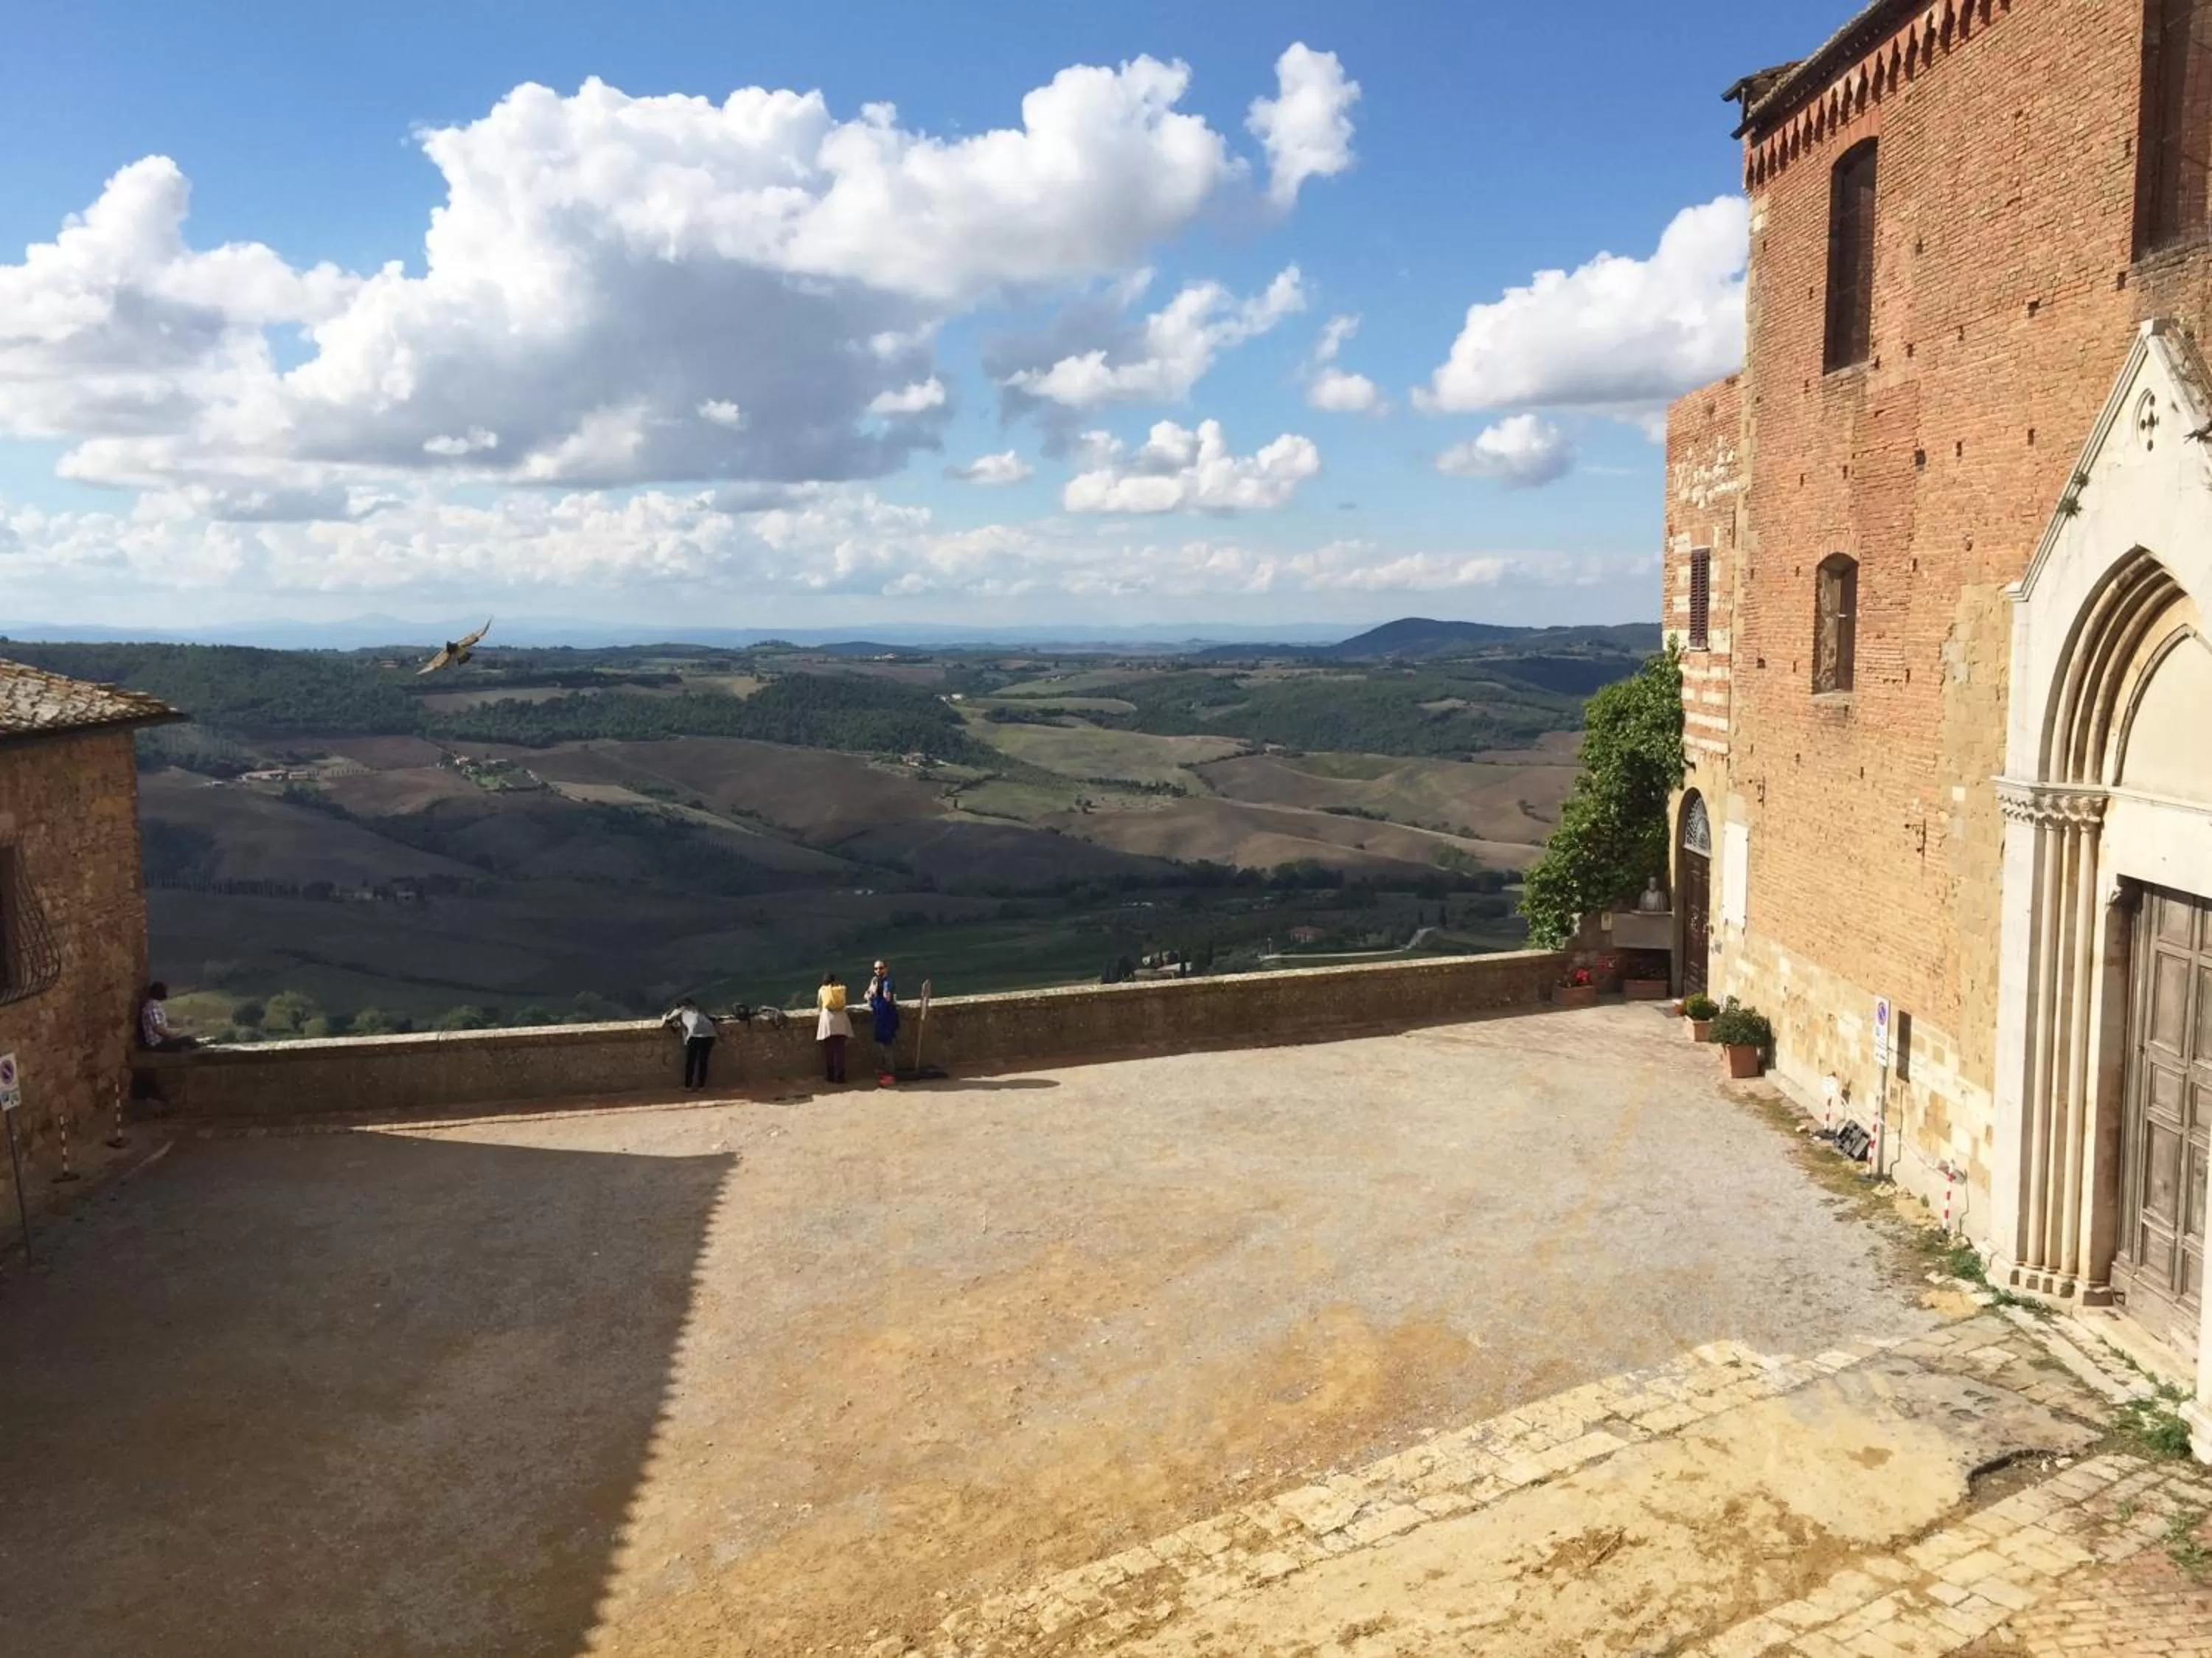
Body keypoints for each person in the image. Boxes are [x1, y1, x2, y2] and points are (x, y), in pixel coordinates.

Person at [660, 997, 719, 1090]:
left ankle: (688, 1086)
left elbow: (668, 1020)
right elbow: (714, 1018)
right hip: (710, 1034)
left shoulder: (681, 1009)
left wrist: (665, 1016)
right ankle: (701, 1086)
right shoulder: (699, 1010)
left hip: (695, 1034)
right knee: (703, 1060)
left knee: (691, 1060)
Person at [866, 960, 900, 1086]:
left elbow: (887, 997)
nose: (878, 971)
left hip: (887, 1017)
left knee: (887, 1046)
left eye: (880, 968)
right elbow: (867, 994)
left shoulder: (888, 982)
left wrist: (875, 993)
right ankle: (884, 1072)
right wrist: (871, 992)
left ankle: (891, 1075)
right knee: (882, 1046)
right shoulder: (874, 981)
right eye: (876, 969)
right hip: (879, 1016)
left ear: (886, 969)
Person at [137, 982, 198, 1052]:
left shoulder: (154, 1005)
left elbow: (164, 1021)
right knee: (188, 1040)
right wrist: (179, 1032)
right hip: (157, 1044)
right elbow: (160, 1030)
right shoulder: (152, 1008)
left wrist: (181, 1023)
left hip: (160, 1041)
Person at [815, 972, 850, 1083]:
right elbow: (844, 1004)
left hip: (828, 1022)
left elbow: (820, 1006)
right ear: (834, 981)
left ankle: (830, 1075)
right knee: (840, 1050)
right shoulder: (840, 990)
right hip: (841, 1021)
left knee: (829, 1050)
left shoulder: (822, 990)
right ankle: (840, 1076)